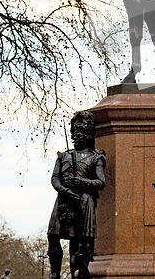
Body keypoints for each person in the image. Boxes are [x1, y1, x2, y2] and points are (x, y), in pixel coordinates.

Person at [47, 111, 106, 279]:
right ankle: (55, 272)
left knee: (78, 241)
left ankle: (78, 273)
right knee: (53, 235)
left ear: (88, 135)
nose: (76, 137)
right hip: (64, 199)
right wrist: (65, 190)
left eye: (80, 134)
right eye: (74, 134)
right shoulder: (64, 155)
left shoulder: (96, 157)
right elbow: (55, 178)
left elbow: (100, 182)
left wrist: (80, 182)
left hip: (84, 200)